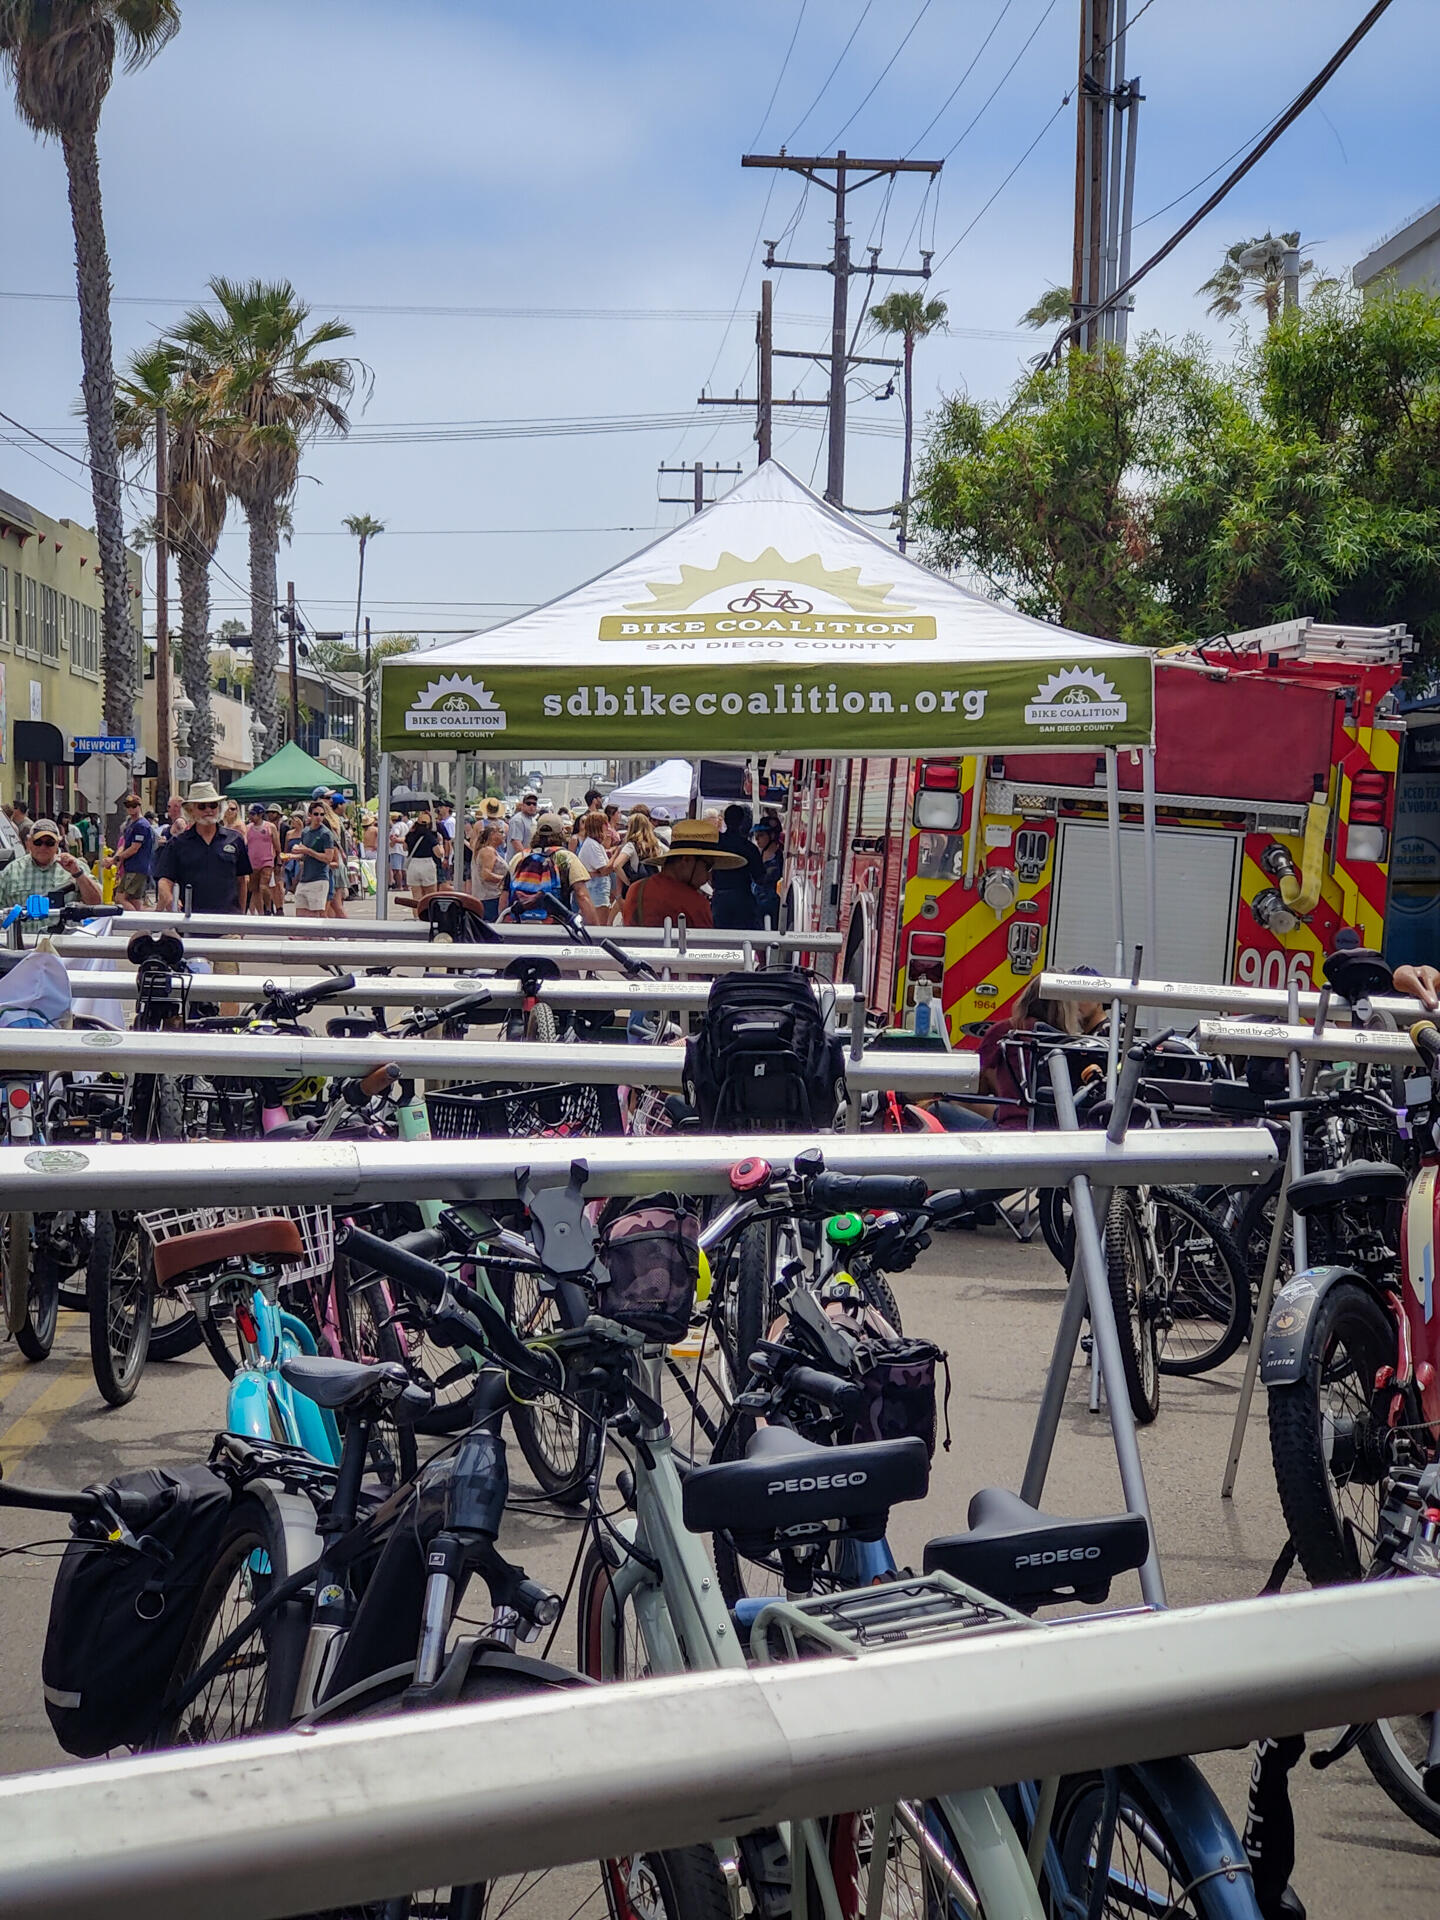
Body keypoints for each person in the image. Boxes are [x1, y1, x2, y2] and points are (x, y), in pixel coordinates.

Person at [618, 817, 745, 931]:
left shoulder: (636, 889)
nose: (708, 877)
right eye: (708, 866)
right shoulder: (696, 903)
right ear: (687, 860)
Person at [155, 782, 252, 914]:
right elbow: (165, 880)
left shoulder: (236, 839)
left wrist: (241, 918)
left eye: (213, 805)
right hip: (189, 921)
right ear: (191, 810)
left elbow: (242, 881)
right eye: (202, 806)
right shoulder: (178, 843)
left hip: (228, 923)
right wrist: (170, 899)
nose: (209, 810)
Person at [503, 811, 596, 924]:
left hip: (520, 924)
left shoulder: (519, 858)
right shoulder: (566, 858)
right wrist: (594, 929)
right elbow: (582, 895)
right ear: (561, 833)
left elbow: (505, 894)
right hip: (556, 925)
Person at [0, 816, 102, 909]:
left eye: (49, 843)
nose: (43, 847)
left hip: (65, 929)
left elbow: (96, 902)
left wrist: (78, 874)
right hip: (23, 929)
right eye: (38, 842)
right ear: (28, 842)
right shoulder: (12, 871)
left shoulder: (75, 867)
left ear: (58, 843)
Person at [708, 804, 767, 931]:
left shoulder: (715, 844)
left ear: (725, 820)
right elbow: (760, 878)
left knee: (719, 940)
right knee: (744, 940)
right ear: (741, 821)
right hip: (743, 899)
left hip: (720, 898)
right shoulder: (749, 848)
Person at [293, 798, 339, 917]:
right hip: (305, 877)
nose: (319, 817)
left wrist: (307, 850)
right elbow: (304, 855)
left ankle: (327, 935)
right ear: (310, 815)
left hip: (319, 878)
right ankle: (301, 935)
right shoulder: (305, 832)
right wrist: (293, 856)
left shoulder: (326, 834)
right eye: (316, 814)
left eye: (322, 814)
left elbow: (328, 858)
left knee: (318, 914)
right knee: (300, 910)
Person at [112, 793, 159, 907]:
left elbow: (134, 848)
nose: (131, 809)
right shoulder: (131, 824)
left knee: (120, 898)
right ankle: (140, 923)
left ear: (139, 806)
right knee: (135, 901)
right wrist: (116, 860)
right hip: (133, 867)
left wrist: (116, 859)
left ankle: (133, 923)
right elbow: (124, 845)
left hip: (136, 867)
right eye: (128, 806)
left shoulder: (141, 825)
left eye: (134, 806)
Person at [609, 809, 663, 904]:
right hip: (654, 889)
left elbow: (616, 865)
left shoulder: (631, 845)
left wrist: (628, 882)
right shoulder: (656, 843)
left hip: (637, 892)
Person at [574, 809, 613, 915]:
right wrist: (617, 855)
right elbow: (604, 870)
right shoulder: (592, 845)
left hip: (597, 891)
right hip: (596, 893)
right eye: (605, 823)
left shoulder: (594, 843)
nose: (607, 826)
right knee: (600, 926)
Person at [244, 803, 281, 913]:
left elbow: (277, 846)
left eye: (253, 814)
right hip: (252, 863)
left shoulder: (269, 827)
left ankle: (268, 908)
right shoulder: (248, 828)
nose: (250, 817)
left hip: (267, 861)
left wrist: (278, 860)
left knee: (263, 886)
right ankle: (261, 913)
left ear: (260, 815)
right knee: (254, 890)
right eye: (249, 814)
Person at [470, 820, 508, 922]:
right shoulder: (488, 851)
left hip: (490, 897)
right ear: (492, 835)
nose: (504, 835)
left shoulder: (490, 850)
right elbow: (486, 875)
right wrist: (505, 880)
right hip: (490, 898)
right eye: (501, 832)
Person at [405, 809, 443, 905]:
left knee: (416, 897)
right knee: (430, 896)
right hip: (427, 864)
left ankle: (416, 918)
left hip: (413, 865)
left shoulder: (410, 835)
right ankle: (428, 917)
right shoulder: (430, 836)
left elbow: (405, 848)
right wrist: (441, 843)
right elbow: (439, 853)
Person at [753, 819, 783, 927]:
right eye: (756, 835)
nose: (757, 839)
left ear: (772, 835)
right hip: (756, 904)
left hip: (772, 904)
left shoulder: (780, 857)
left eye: (761, 835)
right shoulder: (758, 854)